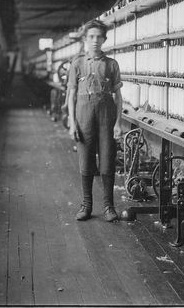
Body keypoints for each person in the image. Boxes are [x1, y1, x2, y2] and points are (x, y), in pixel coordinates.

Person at [67, 19, 123, 222]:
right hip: (84, 118)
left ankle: (109, 207)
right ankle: (86, 205)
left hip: (106, 118)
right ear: (85, 39)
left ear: (104, 39)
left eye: (99, 37)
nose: (95, 40)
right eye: (91, 36)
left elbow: (118, 97)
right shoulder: (77, 64)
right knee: (85, 161)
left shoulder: (111, 64)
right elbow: (71, 96)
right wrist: (72, 123)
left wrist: (118, 123)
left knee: (107, 161)